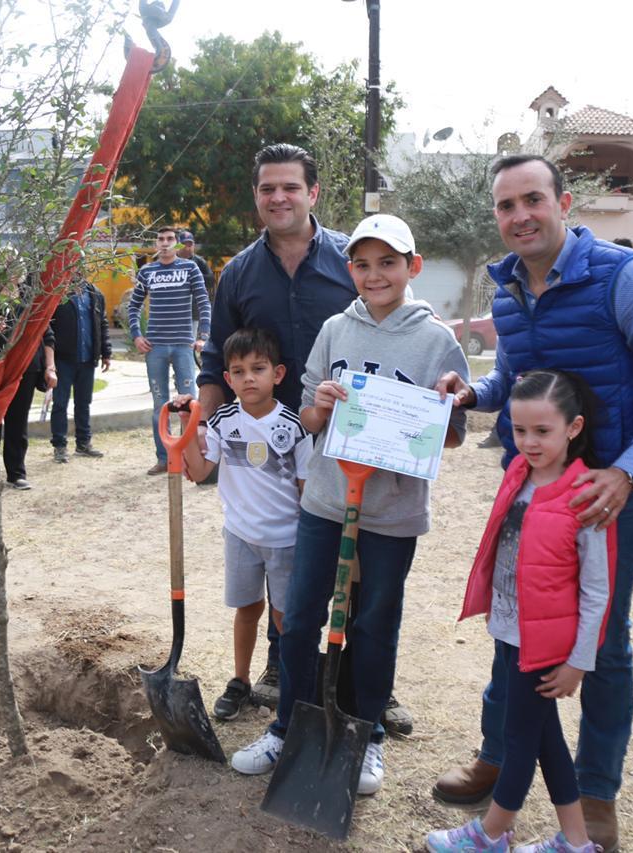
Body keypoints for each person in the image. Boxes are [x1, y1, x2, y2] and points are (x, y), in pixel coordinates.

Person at [432, 155, 633, 853]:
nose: (519, 215)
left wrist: (627, 475)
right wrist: (473, 394)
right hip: (527, 494)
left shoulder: (626, 278)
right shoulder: (508, 289)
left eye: (532, 199)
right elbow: (519, 380)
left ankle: (597, 790)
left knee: (603, 646)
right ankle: (500, 754)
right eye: (505, 205)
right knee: (511, 629)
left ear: (564, 201)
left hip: (602, 500)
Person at [231, 214, 469, 797]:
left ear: (412, 267)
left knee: (375, 621)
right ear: (350, 270)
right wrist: (324, 403)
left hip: (393, 511)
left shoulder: (436, 339)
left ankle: (369, 737)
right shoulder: (337, 329)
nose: (374, 274)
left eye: (388, 262)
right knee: (301, 614)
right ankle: (288, 725)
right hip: (326, 499)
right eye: (362, 264)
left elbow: (455, 432)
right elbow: (310, 416)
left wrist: (430, 416)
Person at [196, 143, 413, 732]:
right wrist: (198, 429)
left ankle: (371, 688)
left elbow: (399, 326)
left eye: (290, 187)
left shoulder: (354, 260)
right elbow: (217, 362)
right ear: (257, 196)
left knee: (362, 566)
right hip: (270, 443)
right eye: (268, 188)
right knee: (287, 557)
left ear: (312, 193)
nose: (279, 198)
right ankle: (279, 670)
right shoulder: (239, 273)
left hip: (350, 440)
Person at [426, 370, 610, 853]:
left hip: (546, 641)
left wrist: (578, 661)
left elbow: (596, 590)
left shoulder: (586, 496)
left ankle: (490, 833)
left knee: (519, 736)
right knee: (544, 734)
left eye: (543, 431)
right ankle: (575, 841)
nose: (529, 442)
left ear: (573, 428)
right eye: (520, 430)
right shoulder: (517, 475)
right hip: (509, 628)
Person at [173, 328, 313, 720]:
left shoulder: (294, 426)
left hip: (287, 539)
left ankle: (295, 688)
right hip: (240, 536)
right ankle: (240, 681)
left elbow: (305, 489)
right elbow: (200, 472)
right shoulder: (221, 422)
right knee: (247, 609)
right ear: (228, 379)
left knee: (286, 618)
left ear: (278, 374)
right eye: (237, 371)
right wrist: (187, 430)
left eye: (258, 368)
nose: (248, 378)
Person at [127, 226, 210, 475]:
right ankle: (164, 458)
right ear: (155, 244)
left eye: (170, 239)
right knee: (159, 405)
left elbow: (204, 301)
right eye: (161, 239)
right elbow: (133, 307)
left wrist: (203, 336)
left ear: (176, 243)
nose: (165, 243)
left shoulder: (189, 268)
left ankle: (189, 456)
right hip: (156, 347)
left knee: (189, 403)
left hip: (183, 344)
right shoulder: (147, 271)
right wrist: (136, 335)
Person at [0, 277, 56, 496]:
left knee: (17, 422)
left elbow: (47, 335)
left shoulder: (31, 298)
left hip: (26, 368)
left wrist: (50, 367)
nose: (11, 271)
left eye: (16, 266)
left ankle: (16, 473)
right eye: (5, 263)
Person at [48, 277, 111, 463]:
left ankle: (83, 443)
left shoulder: (95, 293)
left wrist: (106, 352)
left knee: (84, 403)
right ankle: (59, 446)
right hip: (63, 359)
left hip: (87, 358)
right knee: (60, 404)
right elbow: (48, 326)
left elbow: (102, 323)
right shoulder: (57, 293)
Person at [177, 229, 216, 303]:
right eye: (184, 244)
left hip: (195, 303)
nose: (187, 248)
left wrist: (195, 276)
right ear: (178, 245)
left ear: (194, 245)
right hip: (176, 301)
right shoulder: (172, 260)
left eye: (190, 245)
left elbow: (211, 280)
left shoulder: (199, 261)